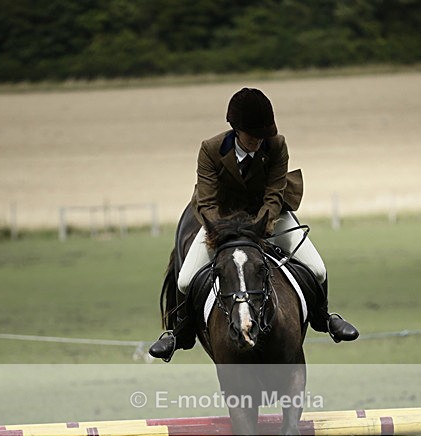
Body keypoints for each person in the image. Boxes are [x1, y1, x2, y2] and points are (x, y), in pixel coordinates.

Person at [149, 87, 359, 360]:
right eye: (253, 136)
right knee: (187, 279)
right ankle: (181, 332)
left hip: (268, 218)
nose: (259, 141)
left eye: (263, 135)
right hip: (222, 220)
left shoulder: (277, 145)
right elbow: (208, 202)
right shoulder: (210, 150)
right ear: (236, 129)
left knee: (317, 268)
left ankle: (324, 318)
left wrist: (260, 228)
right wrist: (221, 232)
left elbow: (274, 195)